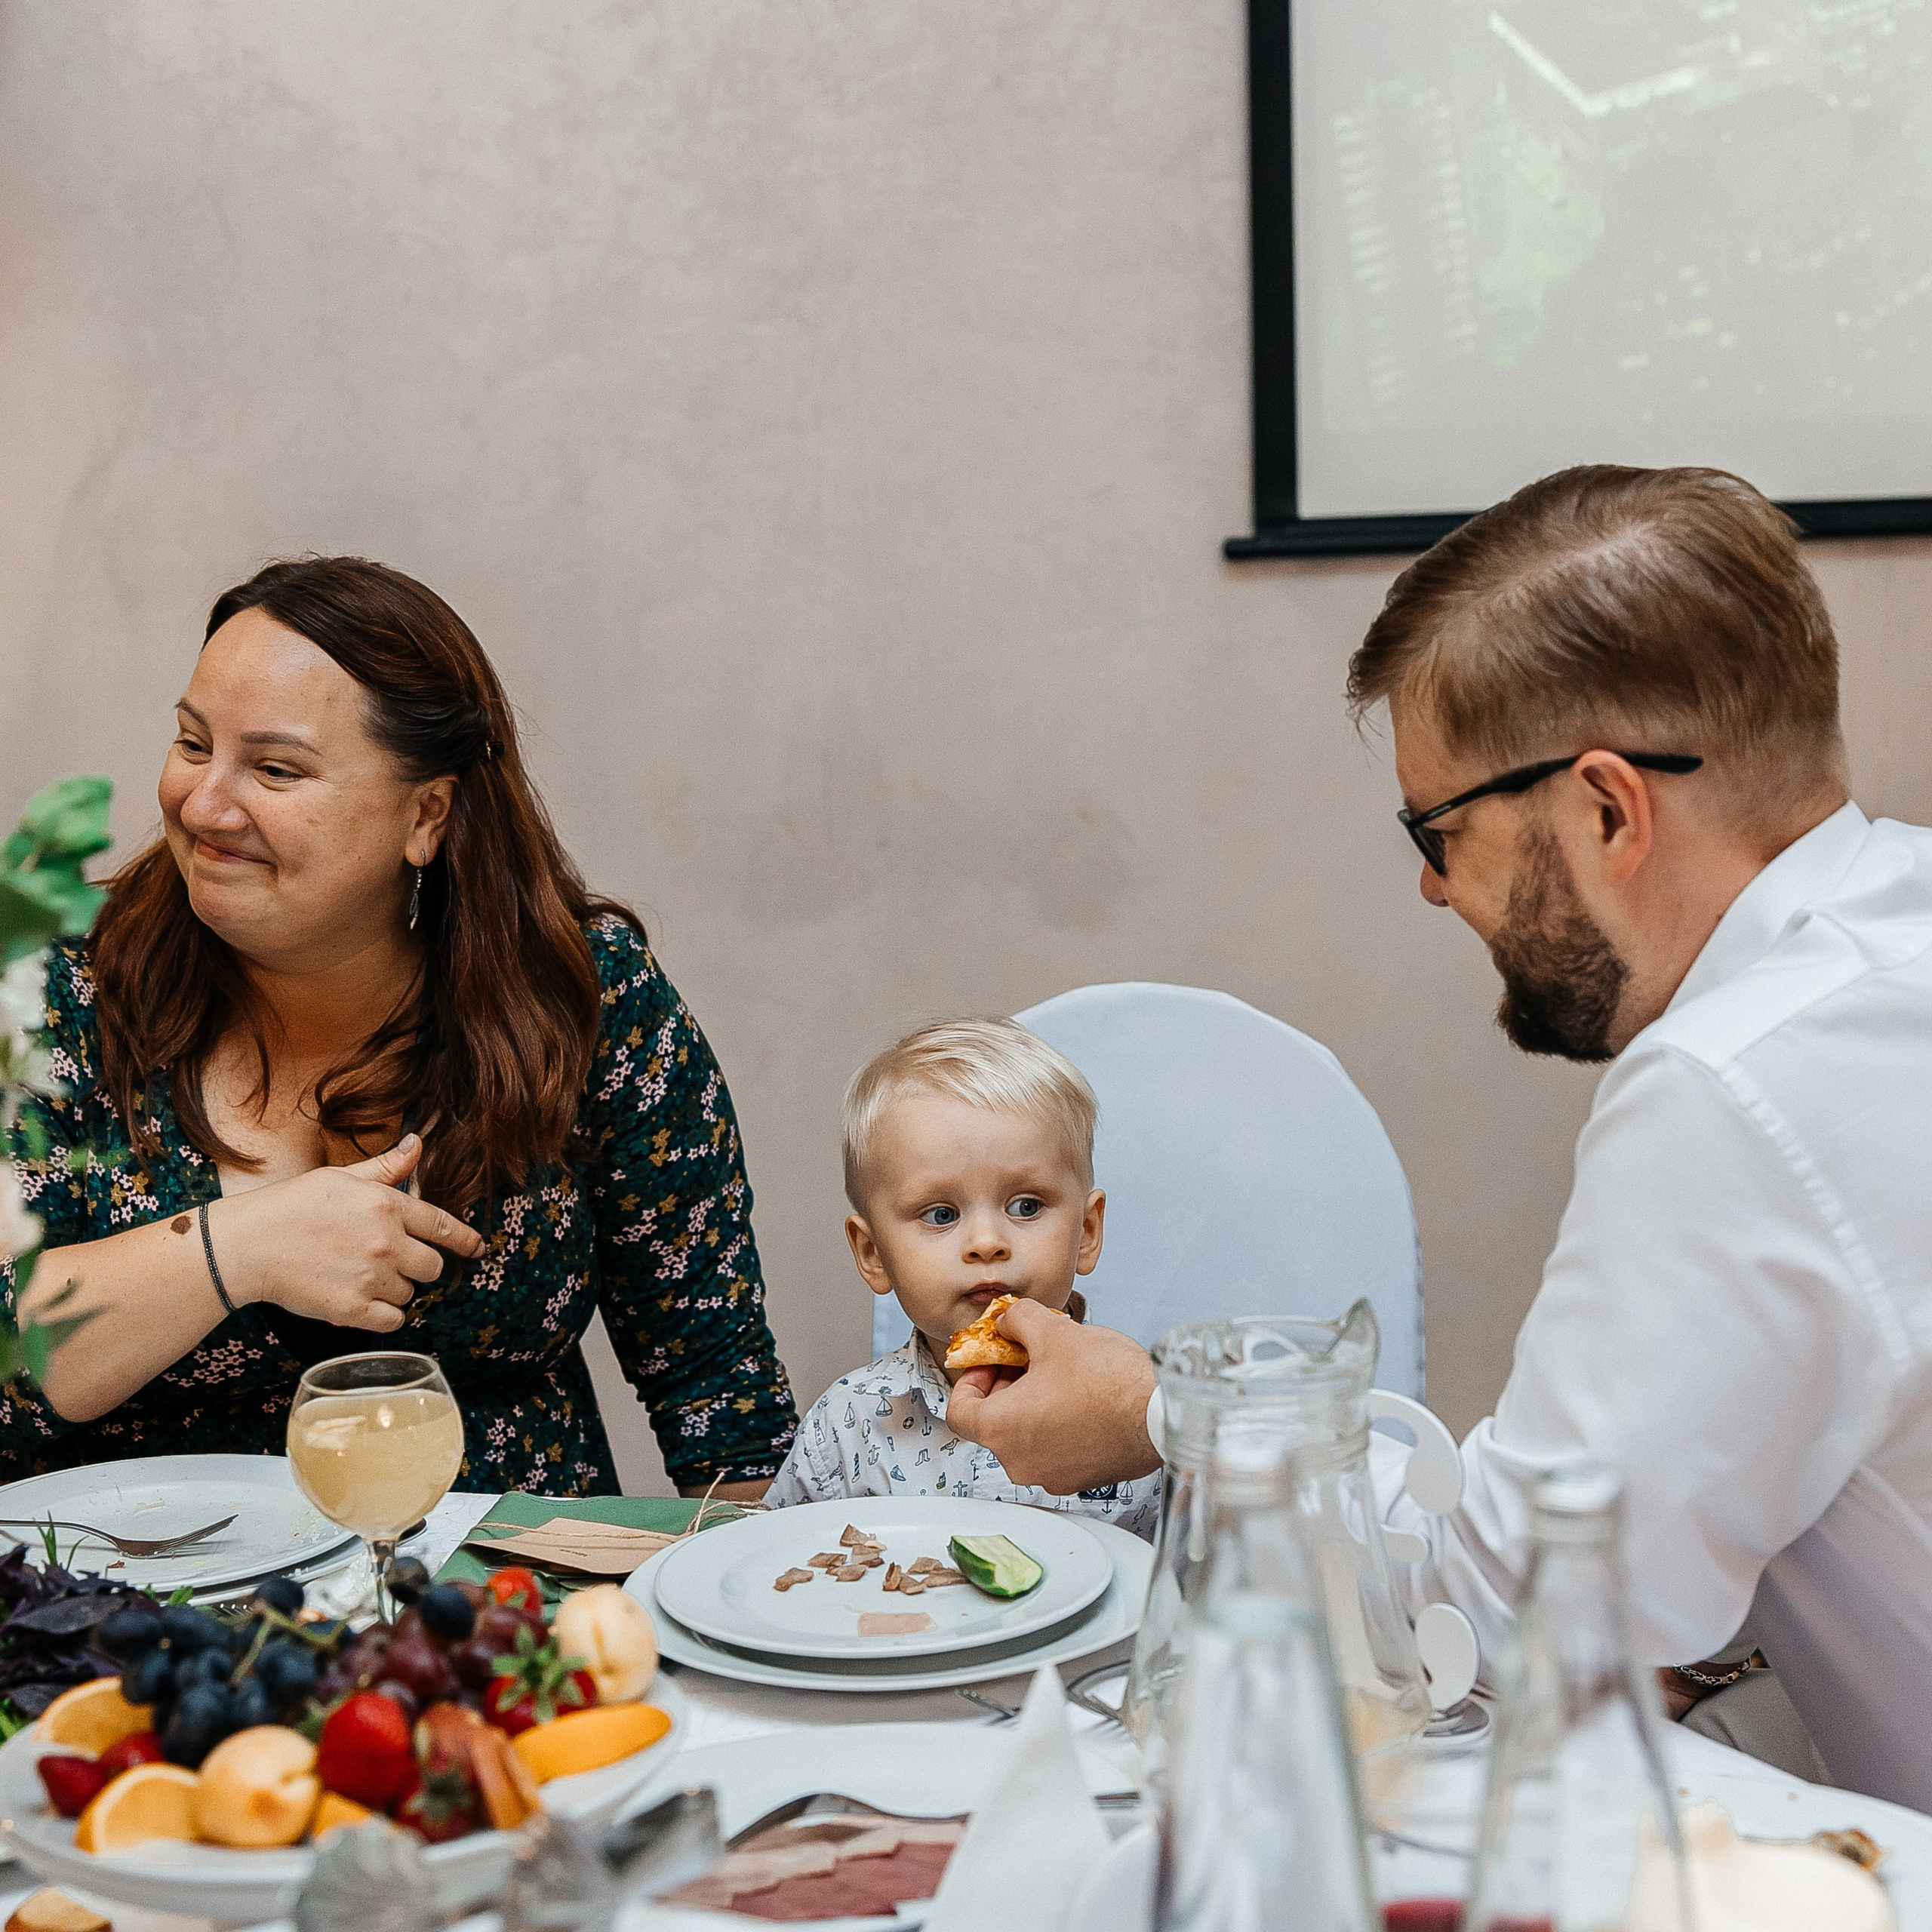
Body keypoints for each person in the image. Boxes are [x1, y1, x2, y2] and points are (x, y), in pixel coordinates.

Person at [945, 466, 1932, 1809]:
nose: (1427, 883)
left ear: (1604, 810)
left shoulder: (1730, 1091)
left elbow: (1515, 1620)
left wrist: (1161, 1416)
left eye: (1441, 828)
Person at [2, 557, 795, 1499]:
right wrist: (243, 1247)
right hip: (135, 1609)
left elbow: (723, 1406)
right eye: (191, 743)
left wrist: (752, 1615)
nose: (203, 804)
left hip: (497, 1609)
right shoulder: (51, 998)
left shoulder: (584, 998)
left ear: (427, 814)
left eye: (275, 768)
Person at [764, 1019, 1160, 1536]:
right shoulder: (843, 1426)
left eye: (1025, 1205)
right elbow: (775, 1561)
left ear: (1085, 1232)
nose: (986, 1242)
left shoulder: (1138, 1407)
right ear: (873, 1253)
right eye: (941, 1215)